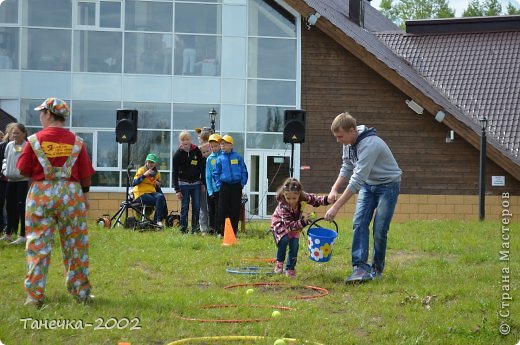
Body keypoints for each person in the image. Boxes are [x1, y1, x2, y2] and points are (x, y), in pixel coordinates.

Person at [18, 98, 95, 307]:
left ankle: (34, 296)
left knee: (37, 244)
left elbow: (22, 169)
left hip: (41, 194)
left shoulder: (33, 140)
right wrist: (85, 198)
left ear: (49, 114)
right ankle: (81, 292)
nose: (40, 117)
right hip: (71, 195)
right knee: (75, 245)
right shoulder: (78, 142)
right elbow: (86, 176)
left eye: (41, 113)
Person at [324, 112, 401, 283]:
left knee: (379, 229)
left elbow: (356, 180)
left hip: (388, 185)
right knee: (359, 223)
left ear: (352, 131)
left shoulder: (370, 145)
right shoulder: (349, 143)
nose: (338, 140)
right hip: (368, 184)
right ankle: (359, 268)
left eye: (340, 136)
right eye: (336, 137)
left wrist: (336, 207)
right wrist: (334, 189)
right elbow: (347, 167)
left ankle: (376, 269)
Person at [271, 178, 330, 277]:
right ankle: (279, 263)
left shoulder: (304, 197)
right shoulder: (283, 206)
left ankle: (290, 268)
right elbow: (289, 226)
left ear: (299, 194)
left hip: (295, 223)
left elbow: (315, 200)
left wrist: (327, 200)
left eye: (294, 198)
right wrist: (303, 221)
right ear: (284, 195)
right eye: (288, 198)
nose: (291, 201)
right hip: (280, 224)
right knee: (284, 240)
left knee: (294, 245)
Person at [213, 135, 248, 236]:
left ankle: (233, 232)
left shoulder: (238, 157)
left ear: (231, 145)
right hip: (225, 186)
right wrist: (219, 185)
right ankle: (221, 231)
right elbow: (216, 173)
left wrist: (242, 184)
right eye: (221, 144)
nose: (222, 146)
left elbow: (244, 171)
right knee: (222, 209)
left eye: (224, 144)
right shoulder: (219, 159)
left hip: (236, 186)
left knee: (235, 209)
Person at [172, 130, 205, 234]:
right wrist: (177, 189)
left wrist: (203, 183)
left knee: (196, 207)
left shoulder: (197, 151)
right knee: (184, 207)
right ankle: (183, 228)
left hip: (196, 184)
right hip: (183, 185)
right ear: (180, 141)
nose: (185, 141)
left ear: (191, 140)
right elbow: (174, 173)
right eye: (183, 140)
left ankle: (195, 228)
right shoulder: (177, 154)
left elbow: (202, 168)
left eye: (187, 139)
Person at [1, 123, 29, 245]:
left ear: (24, 134)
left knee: (22, 208)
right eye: (13, 133)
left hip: (23, 181)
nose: (15, 135)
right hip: (10, 181)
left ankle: (23, 235)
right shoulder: (9, 145)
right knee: (9, 207)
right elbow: (5, 159)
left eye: (17, 133)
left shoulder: (28, 146)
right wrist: (4, 170)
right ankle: (9, 234)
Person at [132, 153, 167, 227]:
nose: (150, 164)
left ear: (155, 163)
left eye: (152, 162)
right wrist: (144, 175)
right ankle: (156, 222)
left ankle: (157, 221)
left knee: (160, 197)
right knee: (160, 202)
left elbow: (159, 185)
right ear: (146, 162)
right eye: (149, 162)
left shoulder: (157, 173)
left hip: (152, 193)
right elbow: (134, 183)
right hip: (140, 194)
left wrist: (158, 183)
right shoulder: (141, 170)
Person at [0, 124, 15, 236]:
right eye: (12, 133)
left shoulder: (23, 146)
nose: (14, 136)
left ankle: (12, 228)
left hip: (15, 180)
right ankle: (2, 227)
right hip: (2, 179)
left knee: (11, 205)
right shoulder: (3, 146)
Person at [205, 133, 221, 235]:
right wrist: (210, 191)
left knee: (220, 210)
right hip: (212, 190)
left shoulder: (223, 156)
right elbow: (208, 176)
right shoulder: (209, 159)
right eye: (212, 147)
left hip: (221, 189)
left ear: (220, 145)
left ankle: (219, 228)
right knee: (212, 210)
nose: (214, 148)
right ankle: (212, 228)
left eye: (216, 146)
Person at [198, 142, 211, 233]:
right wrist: (202, 184)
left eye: (207, 151)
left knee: (210, 207)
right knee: (203, 207)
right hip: (203, 185)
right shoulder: (201, 161)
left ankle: (211, 226)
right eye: (203, 152)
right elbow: (201, 174)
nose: (205, 154)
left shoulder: (212, 159)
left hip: (212, 186)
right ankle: (203, 227)